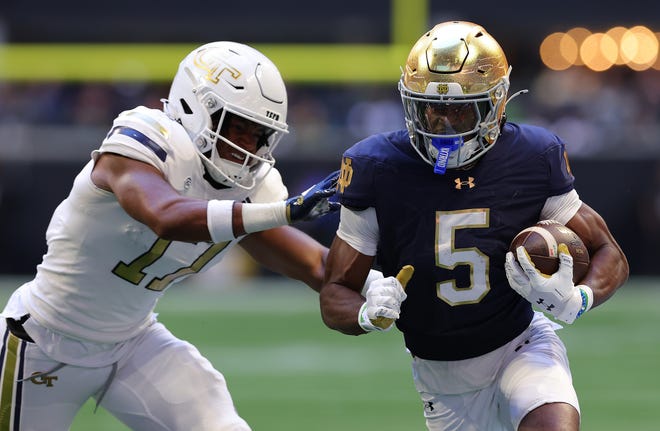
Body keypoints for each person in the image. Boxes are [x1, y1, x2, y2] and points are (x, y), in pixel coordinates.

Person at [0, 41, 342, 430]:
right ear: (194, 107)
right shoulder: (143, 141)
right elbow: (165, 215)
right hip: (42, 341)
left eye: (259, 135)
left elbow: (316, 264)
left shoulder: (245, 188)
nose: (247, 148)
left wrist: (377, 285)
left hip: (134, 344)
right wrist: (282, 211)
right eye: (238, 127)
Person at [319, 21, 629, 431]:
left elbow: (611, 254)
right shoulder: (377, 168)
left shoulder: (532, 157)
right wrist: (365, 312)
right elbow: (334, 292)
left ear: (497, 103)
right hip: (441, 378)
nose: (441, 124)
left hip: (520, 345)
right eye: (429, 108)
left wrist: (580, 299)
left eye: (458, 109)